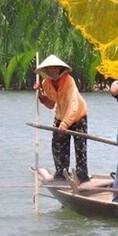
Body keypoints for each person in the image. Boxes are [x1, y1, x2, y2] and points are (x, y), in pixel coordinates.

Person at [33, 54, 89, 182]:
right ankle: (61, 172)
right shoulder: (46, 82)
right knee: (57, 145)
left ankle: (82, 176)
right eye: (50, 69)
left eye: (55, 68)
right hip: (60, 115)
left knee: (80, 147)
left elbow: (73, 105)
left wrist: (65, 124)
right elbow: (51, 103)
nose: (52, 71)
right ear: (46, 71)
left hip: (78, 116)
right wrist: (41, 96)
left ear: (60, 69)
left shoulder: (69, 81)